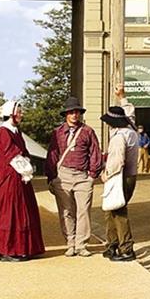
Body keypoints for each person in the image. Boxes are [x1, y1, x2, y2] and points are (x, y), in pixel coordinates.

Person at [0, 100, 45, 262]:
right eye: (19, 112)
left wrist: (26, 165)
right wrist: (26, 169)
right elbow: (11, 154)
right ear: (11, 113)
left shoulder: (16, 131)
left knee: (21, 208)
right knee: (8, 209)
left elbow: (23, 152)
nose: (21, 114)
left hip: (18, 175)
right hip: (9, 174)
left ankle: (21, 247)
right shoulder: (3, 131)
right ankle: (6, 249)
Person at [45, 96, 101, 257]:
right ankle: (70, 243)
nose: (74, 115)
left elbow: (95, 153)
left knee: (83, 211)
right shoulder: (57, 132)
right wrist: (51, 177)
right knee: (66, 211)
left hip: (82, 176)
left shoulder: (88, 131)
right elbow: (52, 155)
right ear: (66, 114)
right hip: (63, 176)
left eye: (77, 112)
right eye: (71, 112)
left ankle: (81, 244)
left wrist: (92, 175)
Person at [100, 88, 140, 262]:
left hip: (120, 176)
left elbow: (116, 161)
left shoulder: (118, 137)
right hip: (130, 175)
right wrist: (122, 97)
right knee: (111, 211)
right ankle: (112, 245)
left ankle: (126, 249)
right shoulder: (130, 129)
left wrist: (106, 174)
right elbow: (130, 113)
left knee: (118, 211)